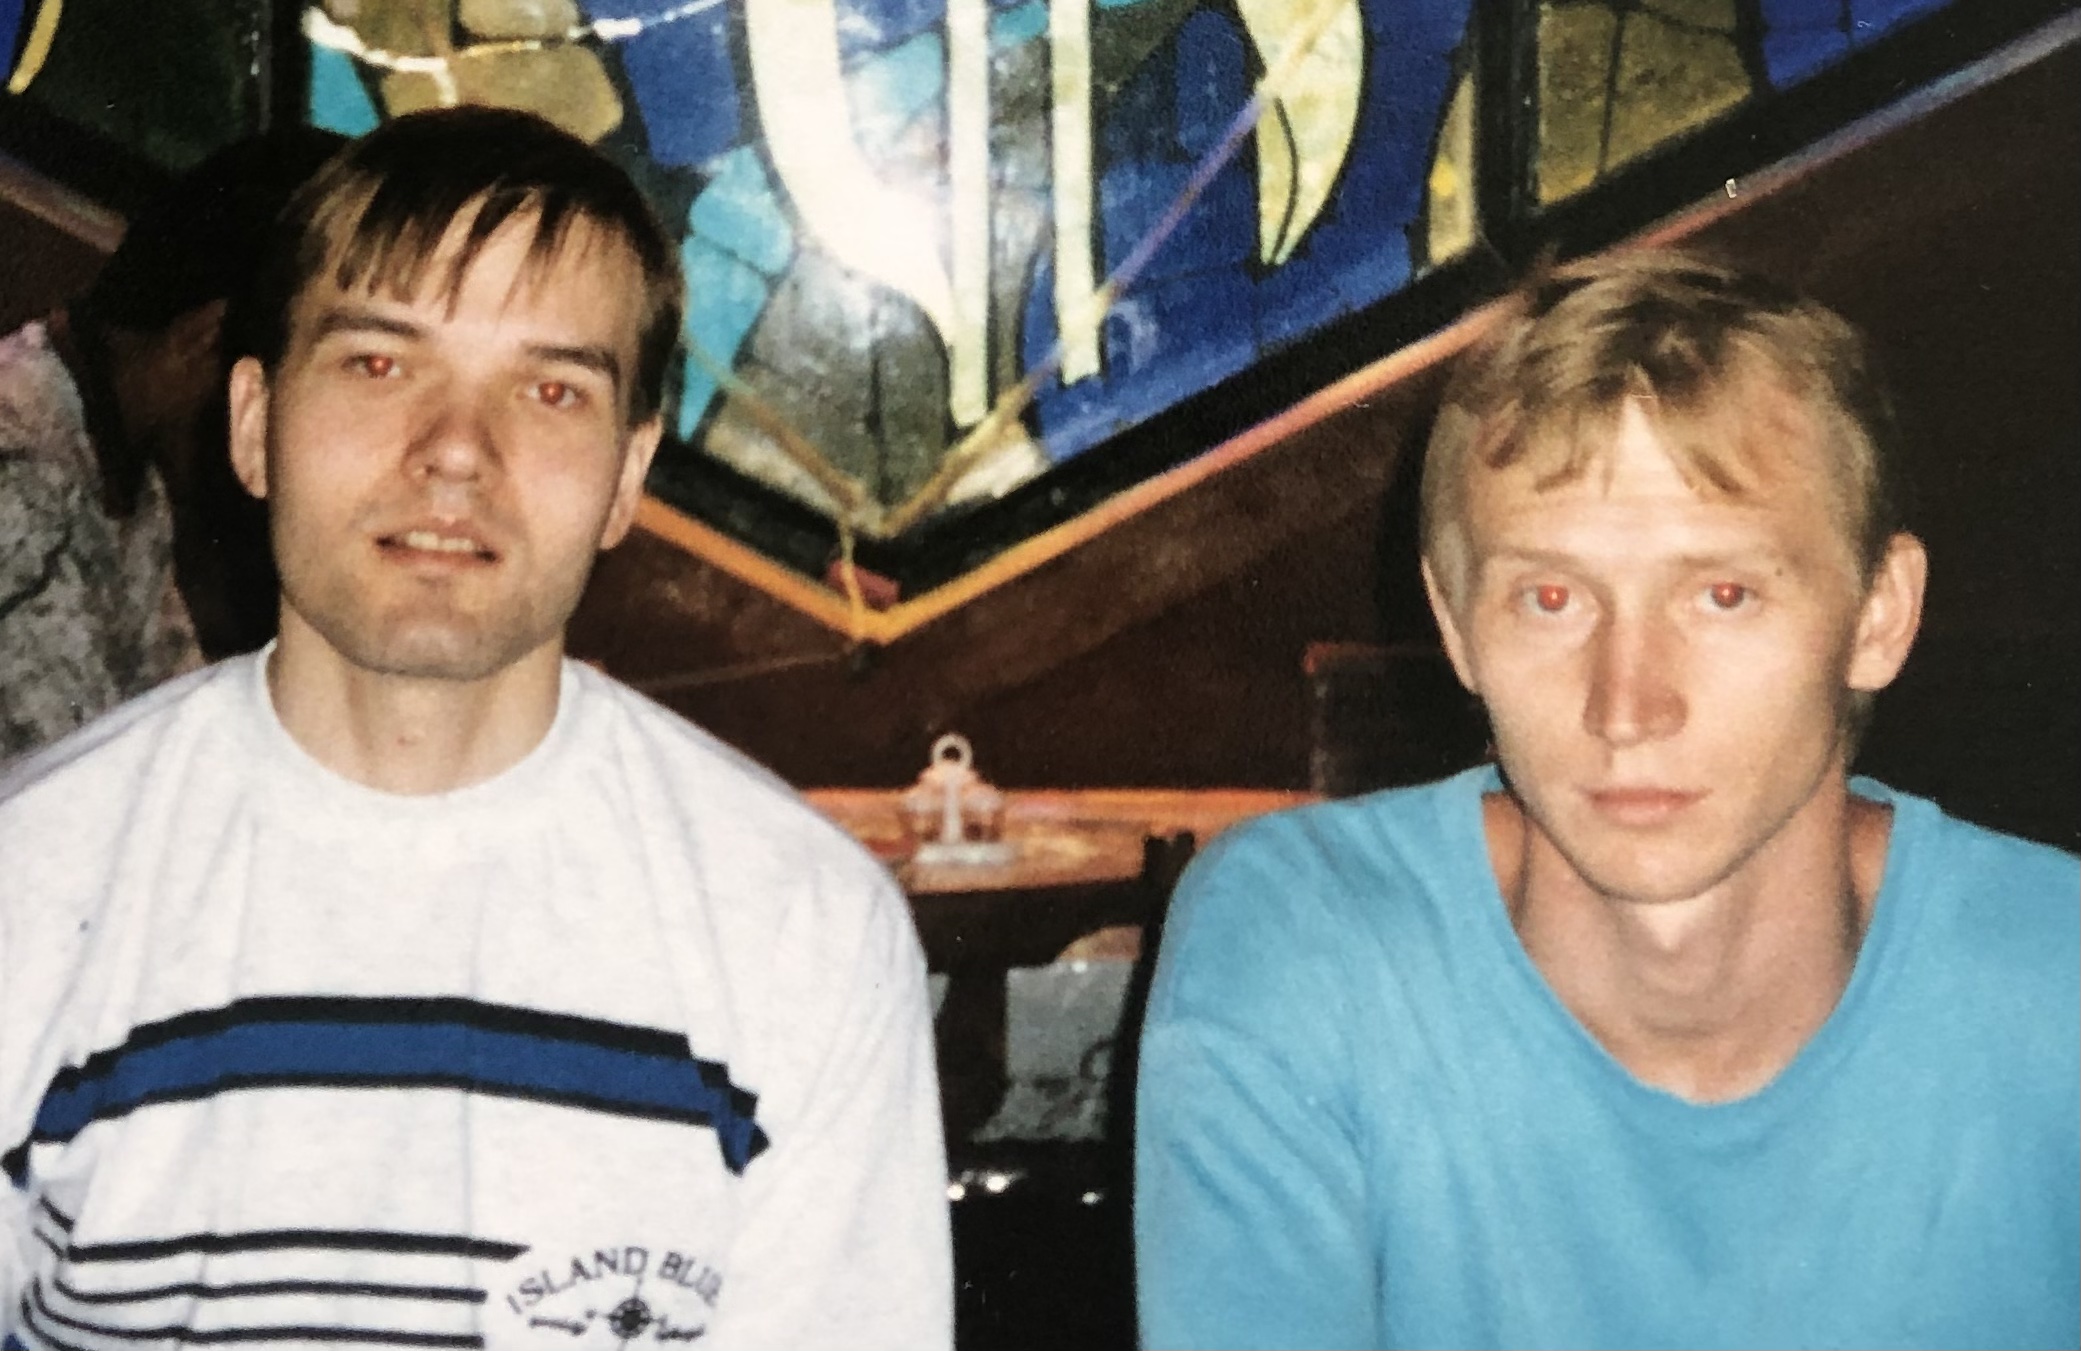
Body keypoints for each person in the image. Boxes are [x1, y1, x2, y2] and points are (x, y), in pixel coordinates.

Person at [0, 107, 952, 1349]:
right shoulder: (30, 881)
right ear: (253, 425)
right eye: (379, 364)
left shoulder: (801, 932)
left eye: (550, 390)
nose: (456, 451)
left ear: (626, 476)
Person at [1134, 248, 2078, 1348]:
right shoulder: (1304, 943)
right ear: (1454, 624)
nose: (1627, 705)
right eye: (1550, 597)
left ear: (1878, 614)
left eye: (1721, 593)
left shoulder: (2051, 983)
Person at [0, 126, 344, 764]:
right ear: (203, 344)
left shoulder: (125, 470)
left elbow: (180, 711)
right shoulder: (21, 482)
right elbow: (72, 778)